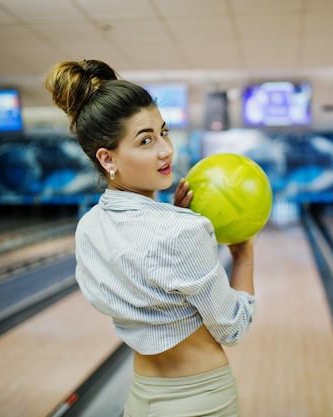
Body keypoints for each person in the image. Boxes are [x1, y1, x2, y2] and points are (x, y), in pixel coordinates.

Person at [44, 59, 256, 417]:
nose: (165, 150)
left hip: (141, 399)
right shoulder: (184, 232)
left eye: (164, 132)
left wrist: (172, 215)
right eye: (146, 140)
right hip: (204, 401)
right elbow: (233, 327)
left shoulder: (89, 228)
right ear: (107, 158)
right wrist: (244, 255)